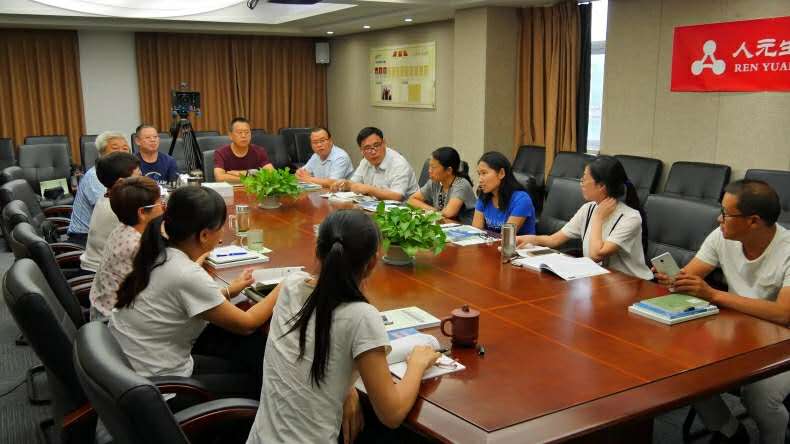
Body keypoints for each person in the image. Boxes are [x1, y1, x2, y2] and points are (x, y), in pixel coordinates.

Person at [246, 210, 440, 444]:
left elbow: (312, 349)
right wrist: (417, 364)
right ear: (373, 262)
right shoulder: (361, 316)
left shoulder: (290, 285)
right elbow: (392, 414)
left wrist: (347, 385)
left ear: (317, 250)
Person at [653, 179, 789, 444]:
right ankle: (729, 431)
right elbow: (690, 274)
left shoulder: (786, 250)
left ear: (753, 221)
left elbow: (784, 314)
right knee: (683, 366)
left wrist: (714, 295)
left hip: (781, 342)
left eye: (726, 214)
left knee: (760, 396)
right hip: (739, 329)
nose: (719, 219)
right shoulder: (722, 236)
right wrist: (675, 279)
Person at [110, 186, 276, 397]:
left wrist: (228, 291)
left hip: (137, 369)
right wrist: (284, 286)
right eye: (221, 227)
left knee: (243, 359)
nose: (222, 233)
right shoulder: (185, 273)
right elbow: (247, 324)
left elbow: (182, 299)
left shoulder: (159, 253)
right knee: (257, 382)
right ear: (204, 235)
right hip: (159, 390)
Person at [516, 155, 653, 279]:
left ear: (601, 186)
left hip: (631, 283)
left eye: (585, 179)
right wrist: (530, 239)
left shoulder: (630, 218)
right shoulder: (588, 209)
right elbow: (554, 240)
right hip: (600, 279)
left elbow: (596, 255)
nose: (581, 182)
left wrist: (598, 218)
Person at [88, 176, 164, 321]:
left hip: (102, 308)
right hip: (114, 319)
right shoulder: (137, 245)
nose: (163, 207)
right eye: (159, 203)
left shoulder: (122, 228)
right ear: (142, 213)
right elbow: (167, 280)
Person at [66, 131, 130, 246]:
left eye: (125, 148)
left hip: (108, 232)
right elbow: (112, 211)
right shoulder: (95, 175)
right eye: (115, 148)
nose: (121, 152)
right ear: (102, 154)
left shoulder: (124, 173)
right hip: (85, 238)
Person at [80, 152, 141, 272]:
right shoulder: (119, 208)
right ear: (121, 182)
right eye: (139, 175)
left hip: (104, 265)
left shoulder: (107, 198)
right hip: (102, 271)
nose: (143, 180)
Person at [330, 127, 418, 202]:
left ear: (384, 143)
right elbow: (355, 184)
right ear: (361, 150)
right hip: (375, 206)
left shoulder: (398, 163)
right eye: (367, 148)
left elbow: (397, 196)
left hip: (404, 210)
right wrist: (346, 184)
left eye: (376, 145)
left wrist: (369, 189)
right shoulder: (365, 161)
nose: (373, 151)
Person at [472, 151, 536, 235]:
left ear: (501, 173)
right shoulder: (484, 196)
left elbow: (506, 237)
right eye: (479, 174)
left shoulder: (521, 199)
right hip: (492, 242)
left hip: (516, 243)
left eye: (484, 173)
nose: (480, 179)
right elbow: (476, 232)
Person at [408, 146, 476, 221]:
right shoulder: (435, 182)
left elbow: (449, 213)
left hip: (464, 226)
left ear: (449, 170)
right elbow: (412, 200)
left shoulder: (462, 184)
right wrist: (433, 210)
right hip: (445, 224)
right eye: (429, 166)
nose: (429, 171)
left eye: (433, 167)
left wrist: (431, 212)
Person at [214, 117, 273, 183]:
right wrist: (252, 177)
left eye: (247, 132)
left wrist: (245, 173)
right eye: (239, 132)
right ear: (230, 135)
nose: (244, 136)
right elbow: (219, 178)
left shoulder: (259, 151)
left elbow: (271, 173)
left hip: (254, 188)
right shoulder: (221, 153)